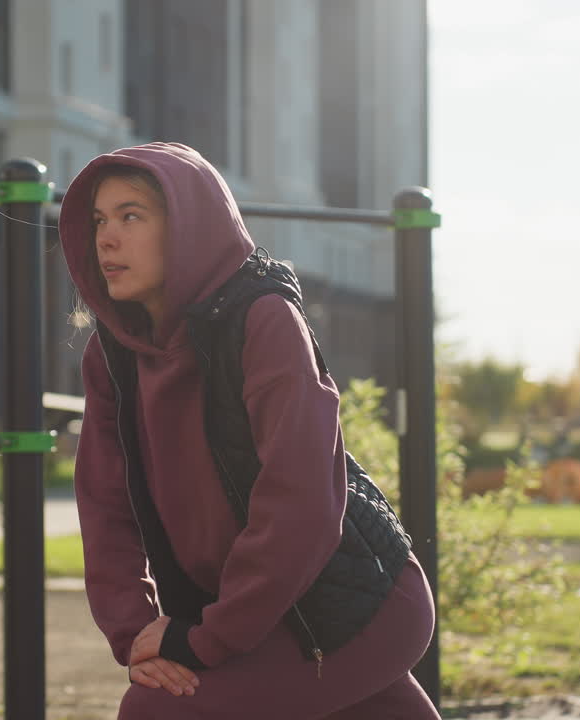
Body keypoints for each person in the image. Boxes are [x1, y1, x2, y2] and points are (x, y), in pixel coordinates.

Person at [59, 142, 440, 719]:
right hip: (244, 618)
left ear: (188, 225)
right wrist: (134, 634)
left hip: (345, 610)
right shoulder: (112, 355)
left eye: (131, 216)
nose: (106, 238)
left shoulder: (263, 321)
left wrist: (205, 640)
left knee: (158, 712)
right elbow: (103, 506)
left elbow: (302, 504)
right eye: (98, 222)